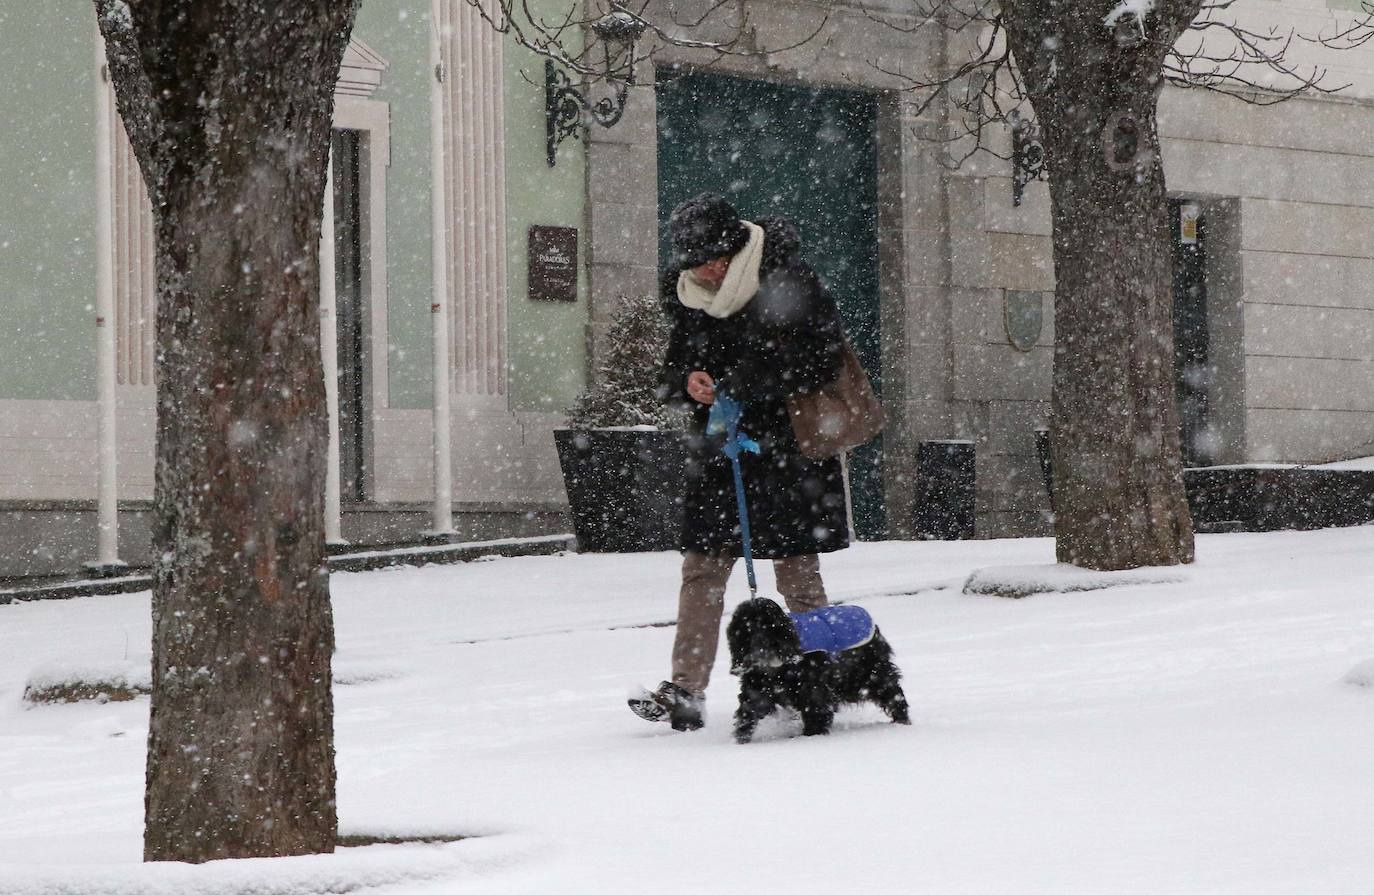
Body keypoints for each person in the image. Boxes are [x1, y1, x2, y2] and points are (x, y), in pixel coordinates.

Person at [629, 193, 851, 731]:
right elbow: (675, 368)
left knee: (798, 573)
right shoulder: (688, 297)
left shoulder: (786, 281)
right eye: (697, 260)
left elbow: (822, 358)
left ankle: (816, 678)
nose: (708, 269)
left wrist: (747, 384)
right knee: (702, 568)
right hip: (719, 453)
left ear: (735, 245)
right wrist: (688, 384)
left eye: (716, 256)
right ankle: (685, 690)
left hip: (786, 451)